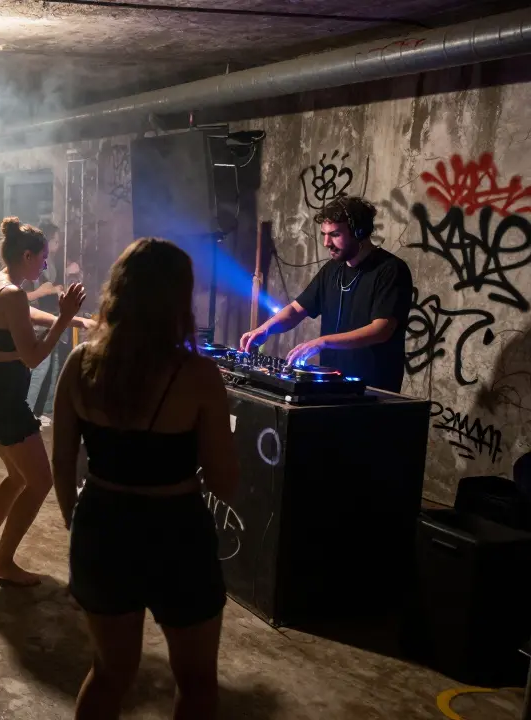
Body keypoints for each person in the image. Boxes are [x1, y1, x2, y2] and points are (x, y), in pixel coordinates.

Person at [52, 237, 239, 720]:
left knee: (110, 673)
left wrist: (78, 519)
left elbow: (62, 460)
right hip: (176, 531)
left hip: (102, 524)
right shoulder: (198, 375)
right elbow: (224, 481)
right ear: (179, 298)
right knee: (196, 681)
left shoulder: (80, 364)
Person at [0, 218, 87, 586]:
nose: (46, 266)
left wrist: (71, 317)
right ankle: (2, 563)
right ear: (27, 255)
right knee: (40, 481)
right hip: (3, 399)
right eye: (43, 258)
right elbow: (33, 358)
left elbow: (22, 315)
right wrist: (64, 319)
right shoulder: (14, 294)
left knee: (18, 477)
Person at [239, 195, 412, 391]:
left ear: (359, 232)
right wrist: (266, 329)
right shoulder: (332, 270)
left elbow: (381, 330)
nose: (326, 242)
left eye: (335, 234)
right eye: (324, 234)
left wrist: (322, 342)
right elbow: (296, 310)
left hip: (372, 390)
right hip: (331, 385)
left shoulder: (390, 270)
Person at [24, 222, 68, 426]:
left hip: (47, 320)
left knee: (52, 364)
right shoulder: (29, 263)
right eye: (56, 241)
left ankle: (43, 408)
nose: (58, 245)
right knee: (41, 367)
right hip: (34, 323)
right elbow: (20, 296)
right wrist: (45, 291)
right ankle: (28, 413)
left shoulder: (46, 263)